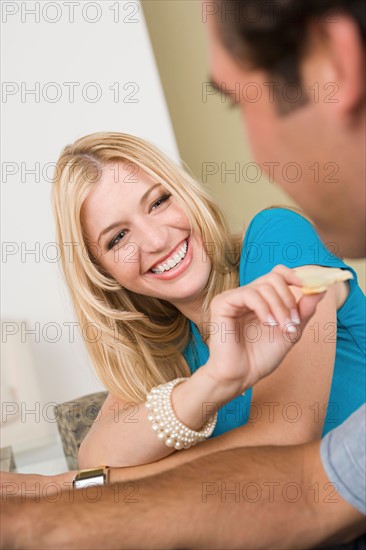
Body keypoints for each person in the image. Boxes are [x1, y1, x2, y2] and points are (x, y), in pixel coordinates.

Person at [1, 1, 365, 548]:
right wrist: (211, 383)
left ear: (187, 195)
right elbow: (99, 455)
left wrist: (66, 490)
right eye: (117, 237)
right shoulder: (165, 349)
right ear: (103, 274)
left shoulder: (276, 241)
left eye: (158, 201)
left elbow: (285, 440)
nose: (156, 239)